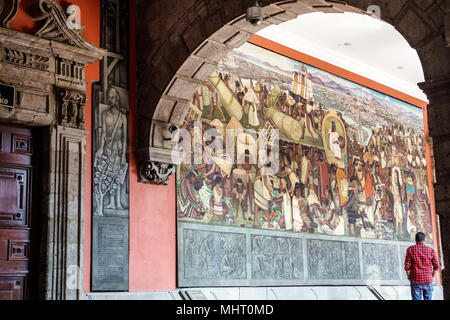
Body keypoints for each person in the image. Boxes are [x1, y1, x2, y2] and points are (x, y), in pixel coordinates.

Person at [404, 232, 440, 300]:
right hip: (428, 280)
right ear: (424, 239)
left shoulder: (410, 249)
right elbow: (436, 266)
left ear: (415, 239)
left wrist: (409, 276)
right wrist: (432, 276)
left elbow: (407, 266)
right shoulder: (431, 250)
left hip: (415, 279)